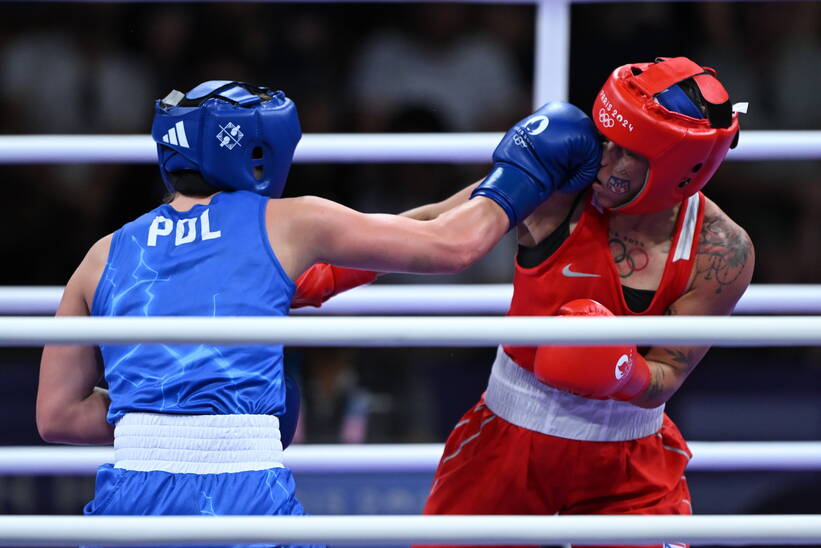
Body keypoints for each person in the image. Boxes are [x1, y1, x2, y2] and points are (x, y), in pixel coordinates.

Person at [35, 79, 600, 544]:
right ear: (256, 152)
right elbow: (451, 246)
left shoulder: (102, 254)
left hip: (128, 505)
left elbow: (56, 416)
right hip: (242, 494)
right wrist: (526, 170)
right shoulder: (289, 221)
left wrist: (163, 414)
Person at [292, 56, 755, 548]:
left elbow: (667, 375)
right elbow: (432, 228)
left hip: (629, 464)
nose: (605, 162)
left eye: (628, 154)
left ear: (681, 171)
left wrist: (621, 371)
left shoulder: (720, 253)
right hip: (508, 443)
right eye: (606, 140)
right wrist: (306, 280)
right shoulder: (560, 185)